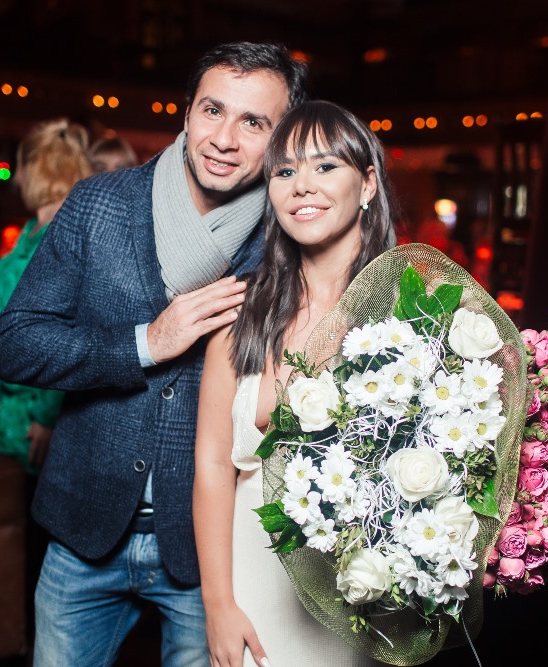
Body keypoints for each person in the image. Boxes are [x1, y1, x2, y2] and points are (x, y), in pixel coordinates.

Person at [0, 41, 308, 667]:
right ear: (186, 111)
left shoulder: (288, 236)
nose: (224, 138)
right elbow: (16, 344)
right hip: (84, 532)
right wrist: (146, 343)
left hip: (210, 552)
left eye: (253, 122)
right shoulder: (98, 204)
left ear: (280, 139)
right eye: (212, 110)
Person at [193, 100, 397, 667]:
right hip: (253, 601)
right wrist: (218, 605)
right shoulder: (241, 315)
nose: (302, 185)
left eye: (325, 166)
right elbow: (212, 464)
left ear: (367, 184)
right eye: (284, 171)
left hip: (362, 602)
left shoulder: (412, 313)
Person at [0, 116, 92, 642]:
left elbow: (70, 338)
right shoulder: (44, 237)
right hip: (22, 422)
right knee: (21, 549)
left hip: (42, 425)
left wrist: (47, 417)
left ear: (34, 170)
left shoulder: (56, 244)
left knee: (44, 555)